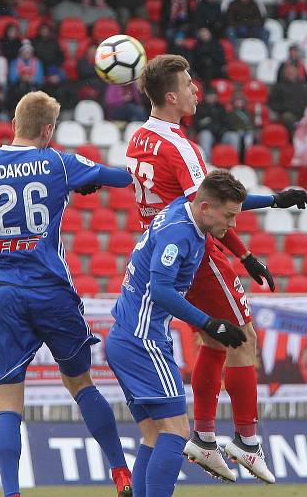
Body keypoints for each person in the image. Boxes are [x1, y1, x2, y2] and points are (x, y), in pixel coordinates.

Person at [0, 91, 135, 497]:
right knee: (81, 384)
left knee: (7, 401)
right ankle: (120, 471)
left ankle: (11, 493)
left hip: (6, 295)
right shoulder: (58, 163)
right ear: (48, 130)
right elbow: (116, 177)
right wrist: (103, 180)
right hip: (52, 291)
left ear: (14, 124)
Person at [127, 55, 307, 483]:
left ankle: (205, 438)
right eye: (189, 84)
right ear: (171, 96)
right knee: (243, 340)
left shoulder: (138, 140)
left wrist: (246, 254)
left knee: (212, 341)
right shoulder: (179, 146)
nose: (196, 90)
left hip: (161, 246)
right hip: (195, 252)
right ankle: (246, 442)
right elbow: (209, 208)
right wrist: (247, 248)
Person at [106, 171, 249, 497]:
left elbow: (216, 200)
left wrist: (273, 200)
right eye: (228, 216)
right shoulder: (179, 234)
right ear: (206, 208)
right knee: (177, 431)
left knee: (155, 435)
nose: (233, 225)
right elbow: (160, 291)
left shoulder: (183, 211)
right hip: (143, 340)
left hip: (125, 338)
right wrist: (210, 323)